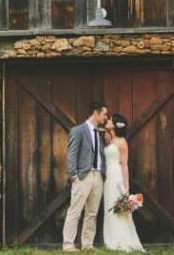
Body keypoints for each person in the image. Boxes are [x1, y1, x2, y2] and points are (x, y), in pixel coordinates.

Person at [62, 101, 109, 251]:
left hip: (98, 176)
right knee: (75, 210)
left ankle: (87, 244)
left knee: (92, 213)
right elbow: (72, 154)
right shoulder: (78, 130)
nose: (106, 118)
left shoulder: (100, 133)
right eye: (104, 114)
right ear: (96, 113)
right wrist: (73, 175)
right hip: (83, 176)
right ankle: (68, 243)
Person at [102, 113, 147, 252]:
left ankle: (120, 239)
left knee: (119, 207)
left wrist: (126, 186)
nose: (107, 121)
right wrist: (107, 131)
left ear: (115, 125)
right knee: (109, 205)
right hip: (108, 177)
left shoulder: (122, 142)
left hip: (116, 176)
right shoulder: (109, 139)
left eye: (110, 120)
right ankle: (110, 237)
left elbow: (124, 165)